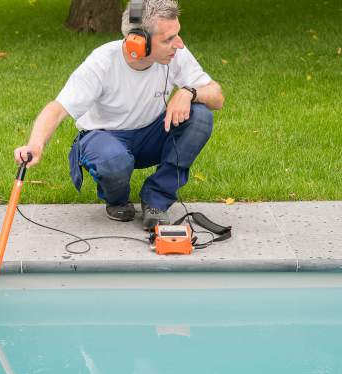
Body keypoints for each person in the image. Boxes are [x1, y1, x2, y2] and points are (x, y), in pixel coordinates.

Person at [14, 0, 224, 230]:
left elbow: (217, 96)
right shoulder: (102, 63)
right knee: (113, 160)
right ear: (138, 43)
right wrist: (35, 144)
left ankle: (156, 199)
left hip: (151, 134)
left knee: (201, 116)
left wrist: (189, 92)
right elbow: (57, 109)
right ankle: (116, 198)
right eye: (168, 39)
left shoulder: (175, 54)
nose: (179, 45)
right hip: (105, 138)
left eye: (177, 35)